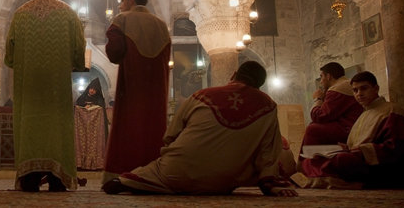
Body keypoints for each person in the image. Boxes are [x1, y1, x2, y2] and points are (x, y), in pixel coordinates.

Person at [102, 62, 297, 197]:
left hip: (178, 172)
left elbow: (170, 136)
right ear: (260, 85)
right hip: (226, 180)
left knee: (151, 173)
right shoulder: (268, 106)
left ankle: (131, 183)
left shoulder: (202, 95)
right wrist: (269, 181)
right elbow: (268, 153)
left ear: (233, 75)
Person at [5, 0, 86, 192]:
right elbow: (79, 50)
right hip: (55, 90)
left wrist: (25, 62)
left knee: (30, 129)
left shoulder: (20, 15)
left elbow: (9, 56)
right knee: (57, 130)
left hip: (28, 89)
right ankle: (57, 178)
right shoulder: (69, 14)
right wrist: (74, 65)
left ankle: (29, 179)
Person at [297, 71, 404, 188]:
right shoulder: (365, 113)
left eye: (364, 89)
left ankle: (327, 179)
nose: (359, 94)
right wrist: (346, 148)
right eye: (355, 90)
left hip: (377, 165)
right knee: (312, 156)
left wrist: (358, 151)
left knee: (341, 159)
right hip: (356, 157)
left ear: (376, 88)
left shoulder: (391, 111)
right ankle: (323, 177)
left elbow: (394, 148)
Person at [102, 0, 171, 184]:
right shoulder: (161, 25)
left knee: (129, 129)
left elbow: (114, 53)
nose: (121, 6)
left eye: (122, 1)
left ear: (131, 0)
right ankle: (151, 176)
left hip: (131, 89)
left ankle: (122, 175)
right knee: (152, 129)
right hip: (156, 92)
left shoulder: (122, 20)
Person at [301, 62, 363, 150]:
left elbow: (320, 116)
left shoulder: (337, 89)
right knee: (313, 126)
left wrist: (317, 99)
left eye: (322, 76)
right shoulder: (345, 84)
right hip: (351, 126)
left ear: (328, 76)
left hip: (348, 129)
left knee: (312, 129)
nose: (321, 81)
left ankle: (308, 161)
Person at [75, 78, 108, 170]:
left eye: (94, 89)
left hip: (95, 129)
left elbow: (101, 111)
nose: (92, 90)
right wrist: (84, 108)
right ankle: (81, 163)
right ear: (88, 88)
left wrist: (94, 108)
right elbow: (77, 107)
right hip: (83, 128)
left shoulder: (99, 99)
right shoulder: (82, 98)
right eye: (91, 88)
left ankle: (96, 164)